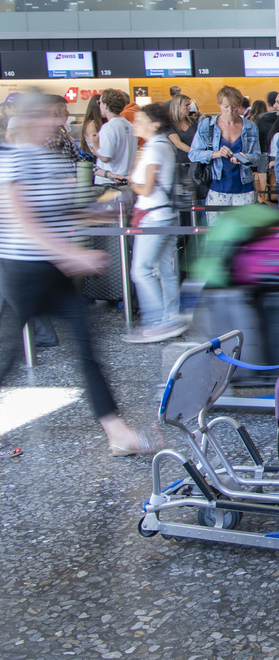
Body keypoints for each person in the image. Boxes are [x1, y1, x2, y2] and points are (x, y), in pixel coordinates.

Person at [0, 91, 156, 455]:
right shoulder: (14, 161)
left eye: (57, 115)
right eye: (47, 116)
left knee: (86, 347)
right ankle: (116, 432)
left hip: (51, 270)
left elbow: (64, 211)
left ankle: (117, 433)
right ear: (25, 121)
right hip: (25, 269)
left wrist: (102, 213)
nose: (55, 122)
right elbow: (24, 221)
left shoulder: (50, 160)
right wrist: (69, 252)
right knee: (8, 354)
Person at [125, 102, 185, 343]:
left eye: (140, 119)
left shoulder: (152, 149)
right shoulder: (163, 145)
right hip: (166, 215)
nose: (135, 123)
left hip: (153, 217)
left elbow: (147, 188)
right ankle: (171, 318)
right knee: (165, 271)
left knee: (141, 270)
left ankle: (158, 320)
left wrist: (132, 182)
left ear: (155, 124)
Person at [189, 85, 260, 216]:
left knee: (245, 233)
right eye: (225, 107)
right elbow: (193, 154)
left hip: (244, 187)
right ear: (219, 104)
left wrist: (245, 158)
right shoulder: (207, 126)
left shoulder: (250, 127)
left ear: (239, 105)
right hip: (217, 187)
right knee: (217, 232)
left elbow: (257, 157)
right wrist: (215, 154)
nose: (230, 111)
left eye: (234, 107)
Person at [93, 88, 134, 186]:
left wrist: (93, 145)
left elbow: (105, 158)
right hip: (125, 179)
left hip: (109, 181)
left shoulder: (108, 127)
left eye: (100, 103)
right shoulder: (129, 125)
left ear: (106, 105)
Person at [167, 95, 198, 162]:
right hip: (177, 164)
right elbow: (178, 144)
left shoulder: (192, 122)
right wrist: (197, 153)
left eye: (189, 105)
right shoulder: (168, 123)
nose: (189, 108)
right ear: (177, 106)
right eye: (186, 105)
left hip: (193, 162)